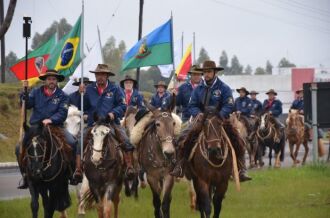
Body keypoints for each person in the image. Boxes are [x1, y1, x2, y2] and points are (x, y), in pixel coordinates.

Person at [170, 60, 252, 181]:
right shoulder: (198, 89)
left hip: (220, 120)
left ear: (215, 73)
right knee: (183, 138)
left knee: (238, 139)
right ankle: (180, 166)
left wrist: (219, 115)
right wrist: (198, 114)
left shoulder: (224, 88)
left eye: (209, 72)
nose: (206, 74)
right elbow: (192, 105)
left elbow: (229, 105)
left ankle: (241, 169)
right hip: (202, 120)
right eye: (204, 72)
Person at [17, 69, 82, 189]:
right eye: (49, 79)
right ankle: (26, 175)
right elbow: (27, 104)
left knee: (72, 143)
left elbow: (62, 113)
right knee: (19, 147)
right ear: (45, 81)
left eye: (54, 79)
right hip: (36, 127)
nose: (51, 81)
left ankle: (71, 173)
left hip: (56, 126)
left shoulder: (63, 96)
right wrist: (24, 94)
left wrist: (51, 120)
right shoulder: (36, 92)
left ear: (57, 81)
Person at [80, 64, 135, 178]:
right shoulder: (89, 89)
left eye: (103, 74)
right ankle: (77, 169)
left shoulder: (115, 89)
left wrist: (113, 113)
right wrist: (79, 94)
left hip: (111, 123)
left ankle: (129, 167)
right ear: (95, 76)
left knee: (126, 141)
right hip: (93, 124)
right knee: (79, 142)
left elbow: (123, 105)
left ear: (107, 76)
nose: (100, 77)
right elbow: (82, 106)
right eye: (98, 74)